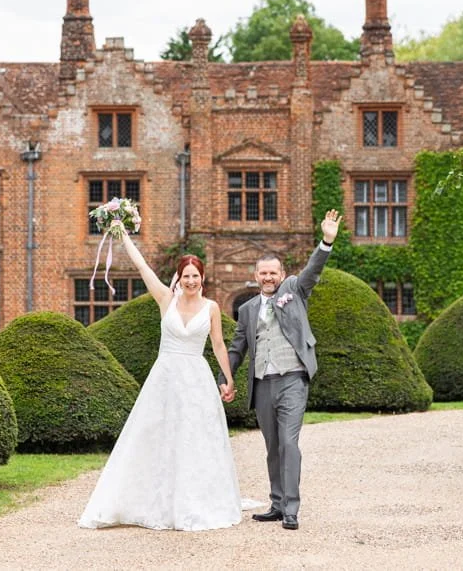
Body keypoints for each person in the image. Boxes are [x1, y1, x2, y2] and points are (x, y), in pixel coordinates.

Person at [78, 231, 241, 531]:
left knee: (195, 439)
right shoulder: (166, 299)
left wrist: (228, 379)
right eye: (186, 276)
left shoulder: (212, 308)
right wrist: (124, 235)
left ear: (202, 278)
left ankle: (192, 501)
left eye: (195, 276)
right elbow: (142, 268)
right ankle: (153, 499)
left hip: (196, 380)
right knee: (156, 435)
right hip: (165, 377)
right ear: (178, 278)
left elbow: (218, 345)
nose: (190, 281)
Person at [219, 209, 342, 531]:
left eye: (273, 273)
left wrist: (326, 241)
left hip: (292, 379)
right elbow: (237, 348)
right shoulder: (246, 310)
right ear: (256, 275)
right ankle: (275, 503)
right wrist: (226, 379)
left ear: (282, 274)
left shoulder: (295, 291)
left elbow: (313, 271)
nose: (268, 278)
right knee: (272, 445)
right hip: (262, 384)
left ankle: (291, 509)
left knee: (289, 442)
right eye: (263, 273)